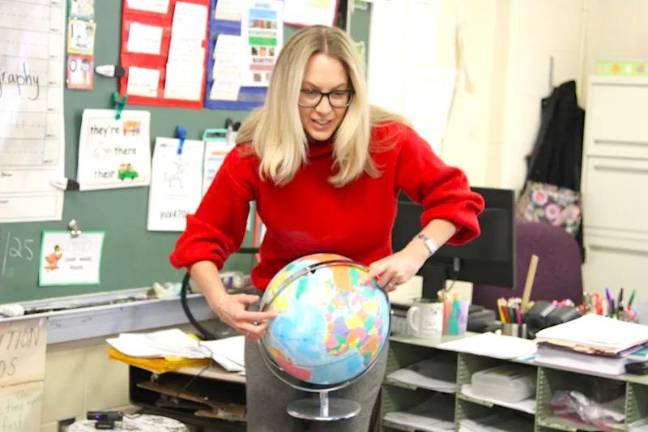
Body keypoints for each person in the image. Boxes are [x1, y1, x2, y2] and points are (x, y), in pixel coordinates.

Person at [171, 25, 484, 432]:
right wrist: (219, 301)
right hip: (279, 328)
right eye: (309, 92)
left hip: (356, 330)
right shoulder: (255, 152)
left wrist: (414, 254)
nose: (324, 108)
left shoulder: (388, 141)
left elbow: (458, 199)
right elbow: (203, 238)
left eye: (339, 93)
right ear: (286, 91)